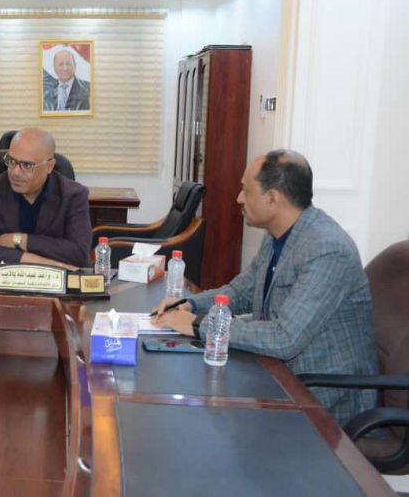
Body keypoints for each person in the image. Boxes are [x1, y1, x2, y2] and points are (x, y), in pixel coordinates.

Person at [152, 150, 377, 426]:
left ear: (272, 198)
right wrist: (189, 304)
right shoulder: (277, 236)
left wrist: (198, 324)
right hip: (277, 375)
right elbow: (242, 291)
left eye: (246, 191)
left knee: (208, 422)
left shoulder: (327, 249)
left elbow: (284, 338)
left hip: (322, 398)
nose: (239, 198)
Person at [0, 128, 92, 269]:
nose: (15, 172)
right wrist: (31, 259)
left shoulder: (73, 195)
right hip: (2, 278)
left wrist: (19, 240)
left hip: (56, 281)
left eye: (27, 165)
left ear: (49, 166)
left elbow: (79, 253)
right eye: (11, 161)